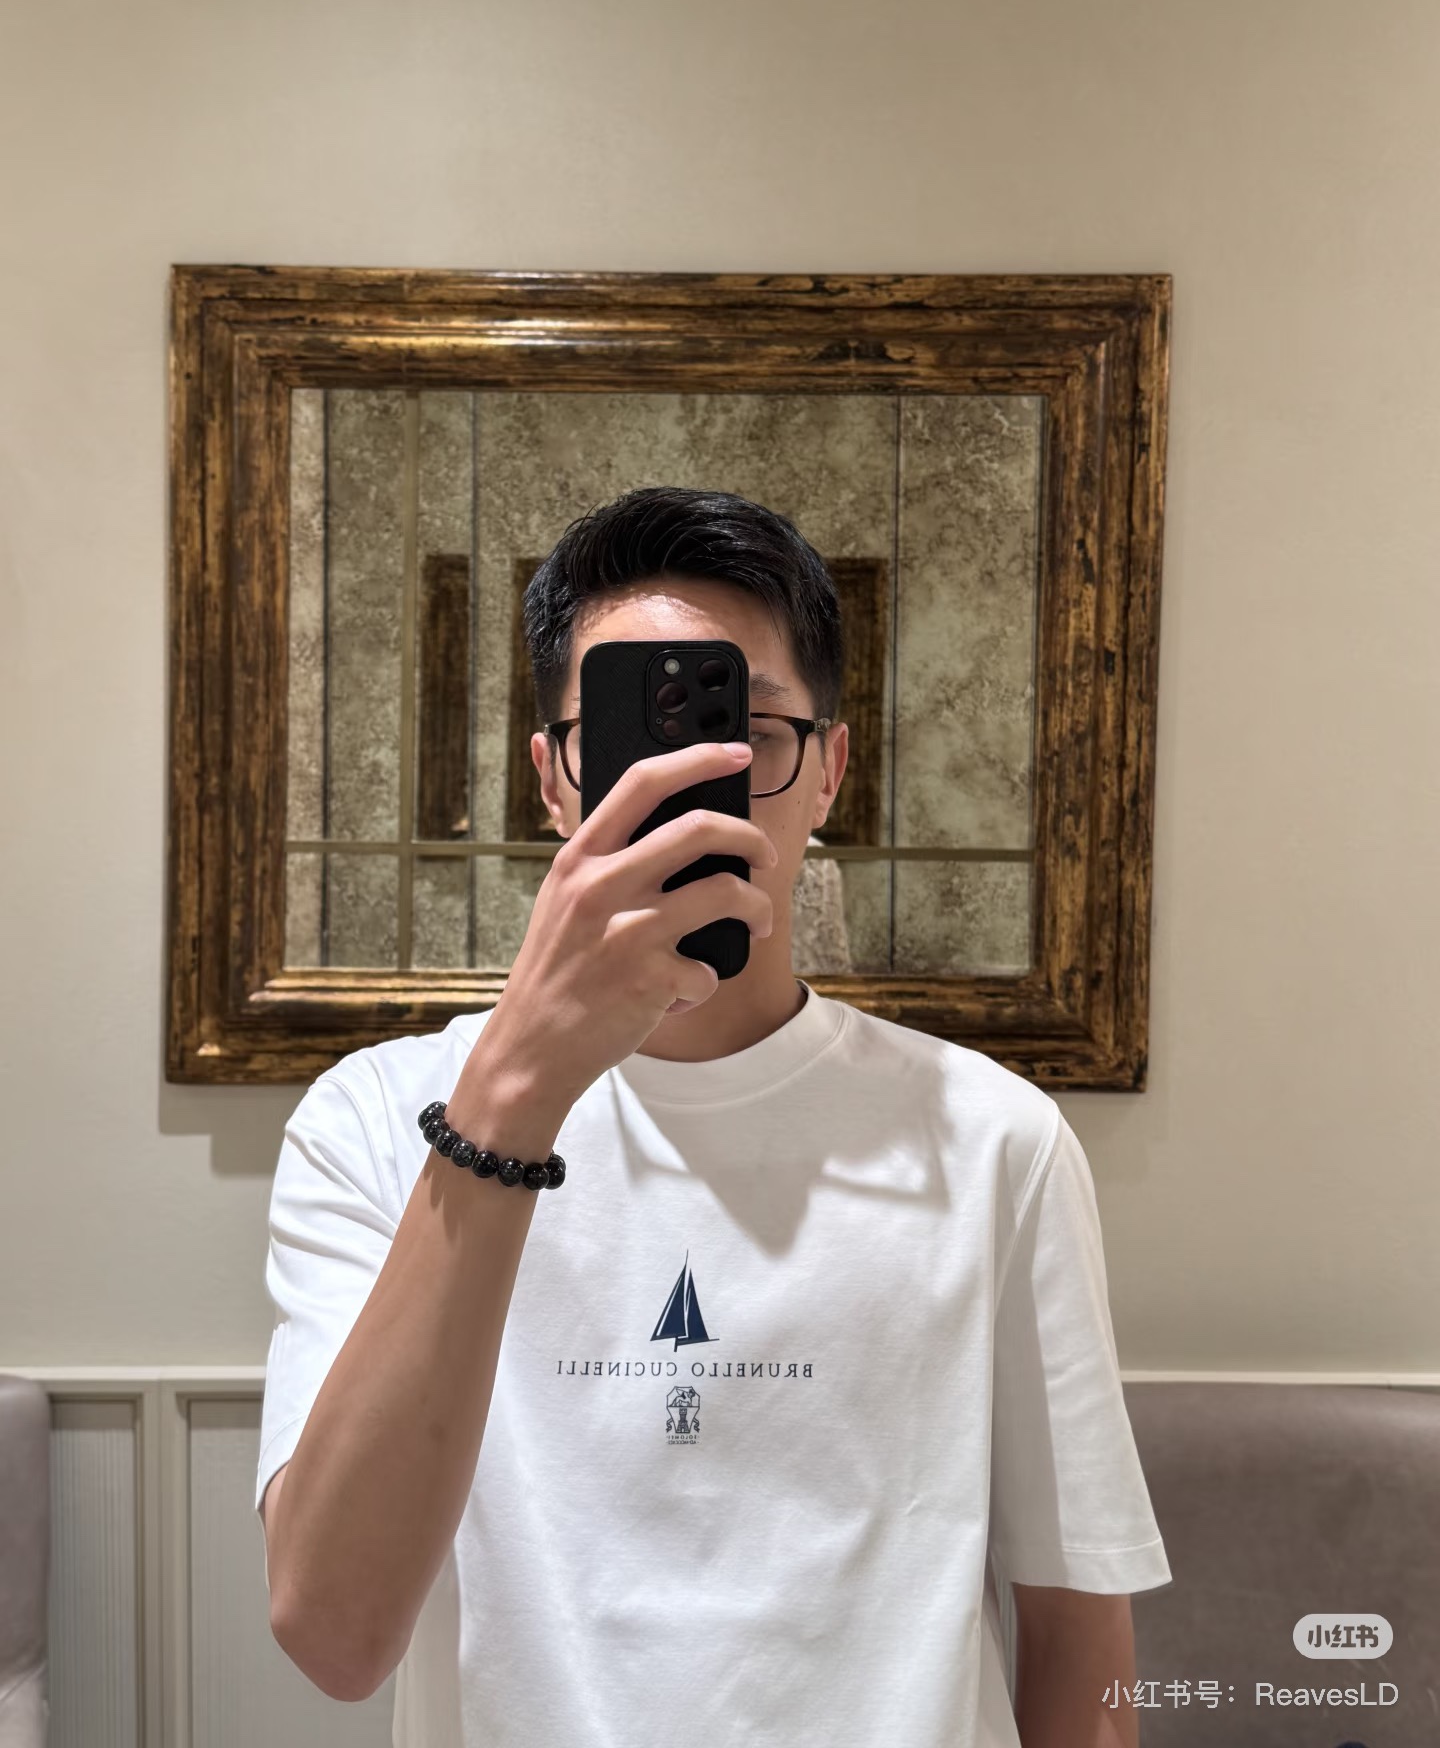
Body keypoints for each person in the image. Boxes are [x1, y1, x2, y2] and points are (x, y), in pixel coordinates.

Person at [255, 485, 1171, 1748]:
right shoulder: (369, 1122)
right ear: (553, 778)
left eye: (748, 733)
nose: (694, 787)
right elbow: (332, 1633)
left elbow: (1080, 1648)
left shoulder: (994, 1142)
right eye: (635, 738)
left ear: (828, 770)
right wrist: (516, 1090)